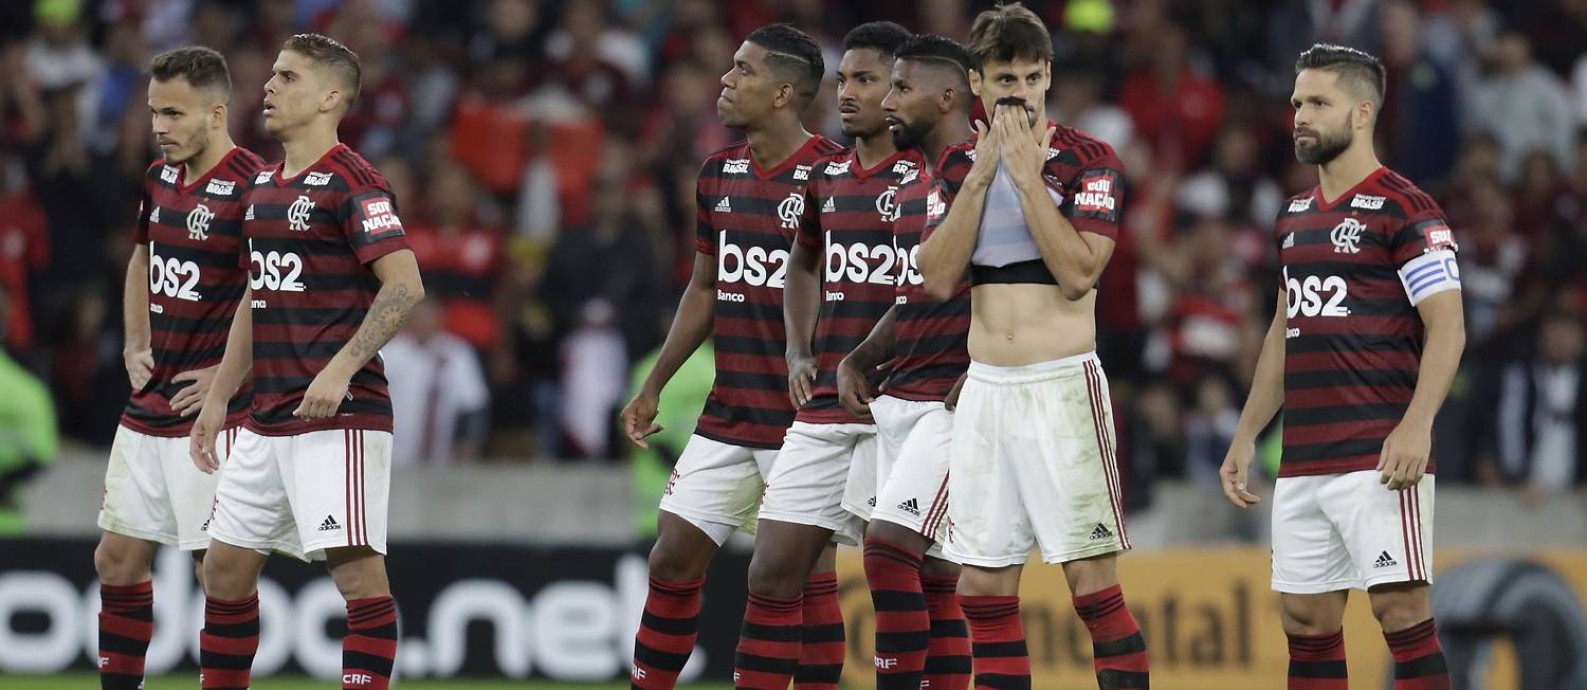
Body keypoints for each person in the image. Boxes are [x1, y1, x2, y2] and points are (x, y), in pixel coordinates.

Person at [916, 4, 1148, 689]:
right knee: (982, 591)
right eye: (1002, 77)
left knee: (1092, 589)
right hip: (986, 389)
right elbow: (935, 276)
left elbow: (1079, 274)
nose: (1017, 90)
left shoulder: (1088, 160)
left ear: (1047, 76)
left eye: (1029, 75)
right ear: (975, 84)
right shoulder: (958, 167)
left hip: (1060, 387)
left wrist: (1025, 176)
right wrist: (987, 175)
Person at [1220, 44, 1462, 690]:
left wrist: (1416, 426)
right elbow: (1283, 330)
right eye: (1296, 101)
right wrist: (1246, 433)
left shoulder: (1406, 209)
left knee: (1400, 611)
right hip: (1301, 456)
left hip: (1378, 451)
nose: (1297, 114)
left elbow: (1448, 325)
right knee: (1304, 622)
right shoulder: (1292, 216)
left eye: (1316, 103)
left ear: (1360, 113)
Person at [190, 33, 424, 690]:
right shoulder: (262, 184)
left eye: (287, 77)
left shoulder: (354, 180)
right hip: (266, 418)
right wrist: (217, 398)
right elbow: (253, 297)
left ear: (329, 97)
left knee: (356, 576)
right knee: (224, 570)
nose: (267, 87)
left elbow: (404, 285)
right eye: (271, 75)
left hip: (337, 416)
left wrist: (341, 367)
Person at [621, 23, 842, 690]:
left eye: (742, 71)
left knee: (798, 576)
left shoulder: (834, 178)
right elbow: (706, 286)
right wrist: (656, 382)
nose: (725, 80)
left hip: (806, 417)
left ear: (782, 92)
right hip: (729, 407)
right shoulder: (720, 172)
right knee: (671, 558)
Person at [731, 21, 914, 690]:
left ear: (902, 89)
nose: (846, 93)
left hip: (906, 401)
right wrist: (797, 348)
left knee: (915, 578)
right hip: (825, 405)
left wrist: (866, 359)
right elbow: (802, 262)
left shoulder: (931, 176)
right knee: (771, 570)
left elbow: (935, 289)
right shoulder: (827, 174)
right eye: (843, 79)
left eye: (865, 80)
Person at [93, 46, 265, 690]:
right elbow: (142, 257)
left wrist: (231, 377)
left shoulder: (255, 186)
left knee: (218, 572)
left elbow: (271, 291)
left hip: (213, 412)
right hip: (151, 401)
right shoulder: (159, 179)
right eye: (154, 111)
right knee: (115, 558)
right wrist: (135, 340)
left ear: (216, 112)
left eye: (173, 112)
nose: (159, 126)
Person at [837, 33, 977, 690]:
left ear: (946, 96)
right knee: (933, 579)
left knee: (889, 552)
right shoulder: (929, 178)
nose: (884, 101)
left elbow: (1027, 283)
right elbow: (918, 292)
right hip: (905, 389)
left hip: (955, 397)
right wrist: (864, 354)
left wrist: (985, 370)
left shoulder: (987, 170)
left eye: (900, 87)